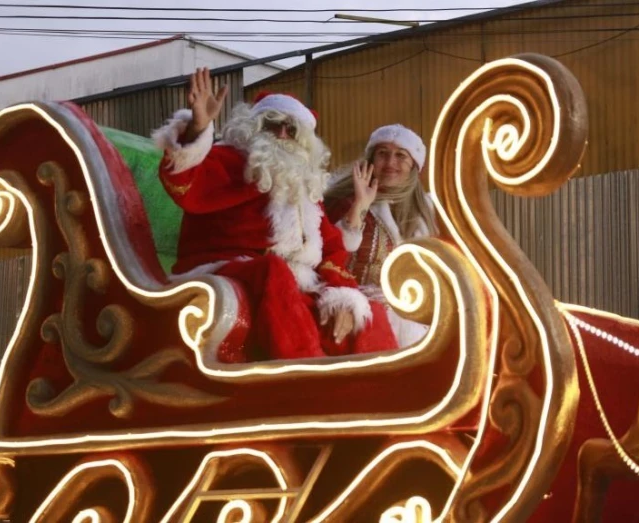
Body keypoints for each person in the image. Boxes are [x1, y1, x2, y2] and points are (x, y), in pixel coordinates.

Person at [151, 68, 398, 362]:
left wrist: (343, 296)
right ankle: (302, 377)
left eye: (291, 130)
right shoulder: (229, 159)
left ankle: (384, 384)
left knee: (369, 312)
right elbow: (184, 181)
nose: (282, 134)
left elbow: (332, 248)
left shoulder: (307, 188)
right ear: (253, 128)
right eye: (273, 125)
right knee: (274, 271)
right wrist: (196, 131)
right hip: (231, 270)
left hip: (294, 285)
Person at [324, 124, 439, 346]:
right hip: (353, 309)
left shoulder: (426, 212)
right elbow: (333, 252)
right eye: (383, 154)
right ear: (371, 159)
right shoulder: (340, 199)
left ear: (414, 165)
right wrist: (359, 205)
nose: (390, 163)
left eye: (400, 156)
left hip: (410, 317)